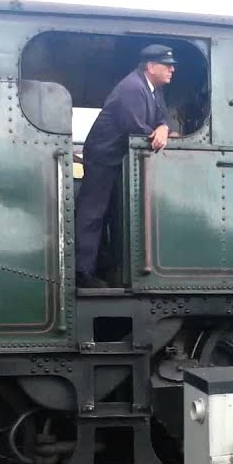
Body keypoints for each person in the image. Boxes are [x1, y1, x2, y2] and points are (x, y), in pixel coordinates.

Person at [75, 44, 176, 288]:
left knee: (111, 213)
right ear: (151, 66)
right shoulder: (132, 87)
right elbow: (137, 129)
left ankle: (103, 267)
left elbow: (162, 119)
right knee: (92, 214)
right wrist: (160, 132)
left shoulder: (154, 89)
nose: (172, 70)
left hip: (117, 159)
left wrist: (164, 128)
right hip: (103, 157)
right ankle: (81, 272)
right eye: (167, 65)